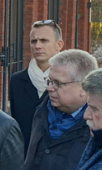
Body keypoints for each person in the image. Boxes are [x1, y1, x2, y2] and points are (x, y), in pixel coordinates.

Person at [10, 20, 64, 152]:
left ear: (59, 45)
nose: (37, 46)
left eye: (44, 40)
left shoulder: (70, 81)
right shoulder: (17, 80)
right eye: (34, 41)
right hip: (25, 160)